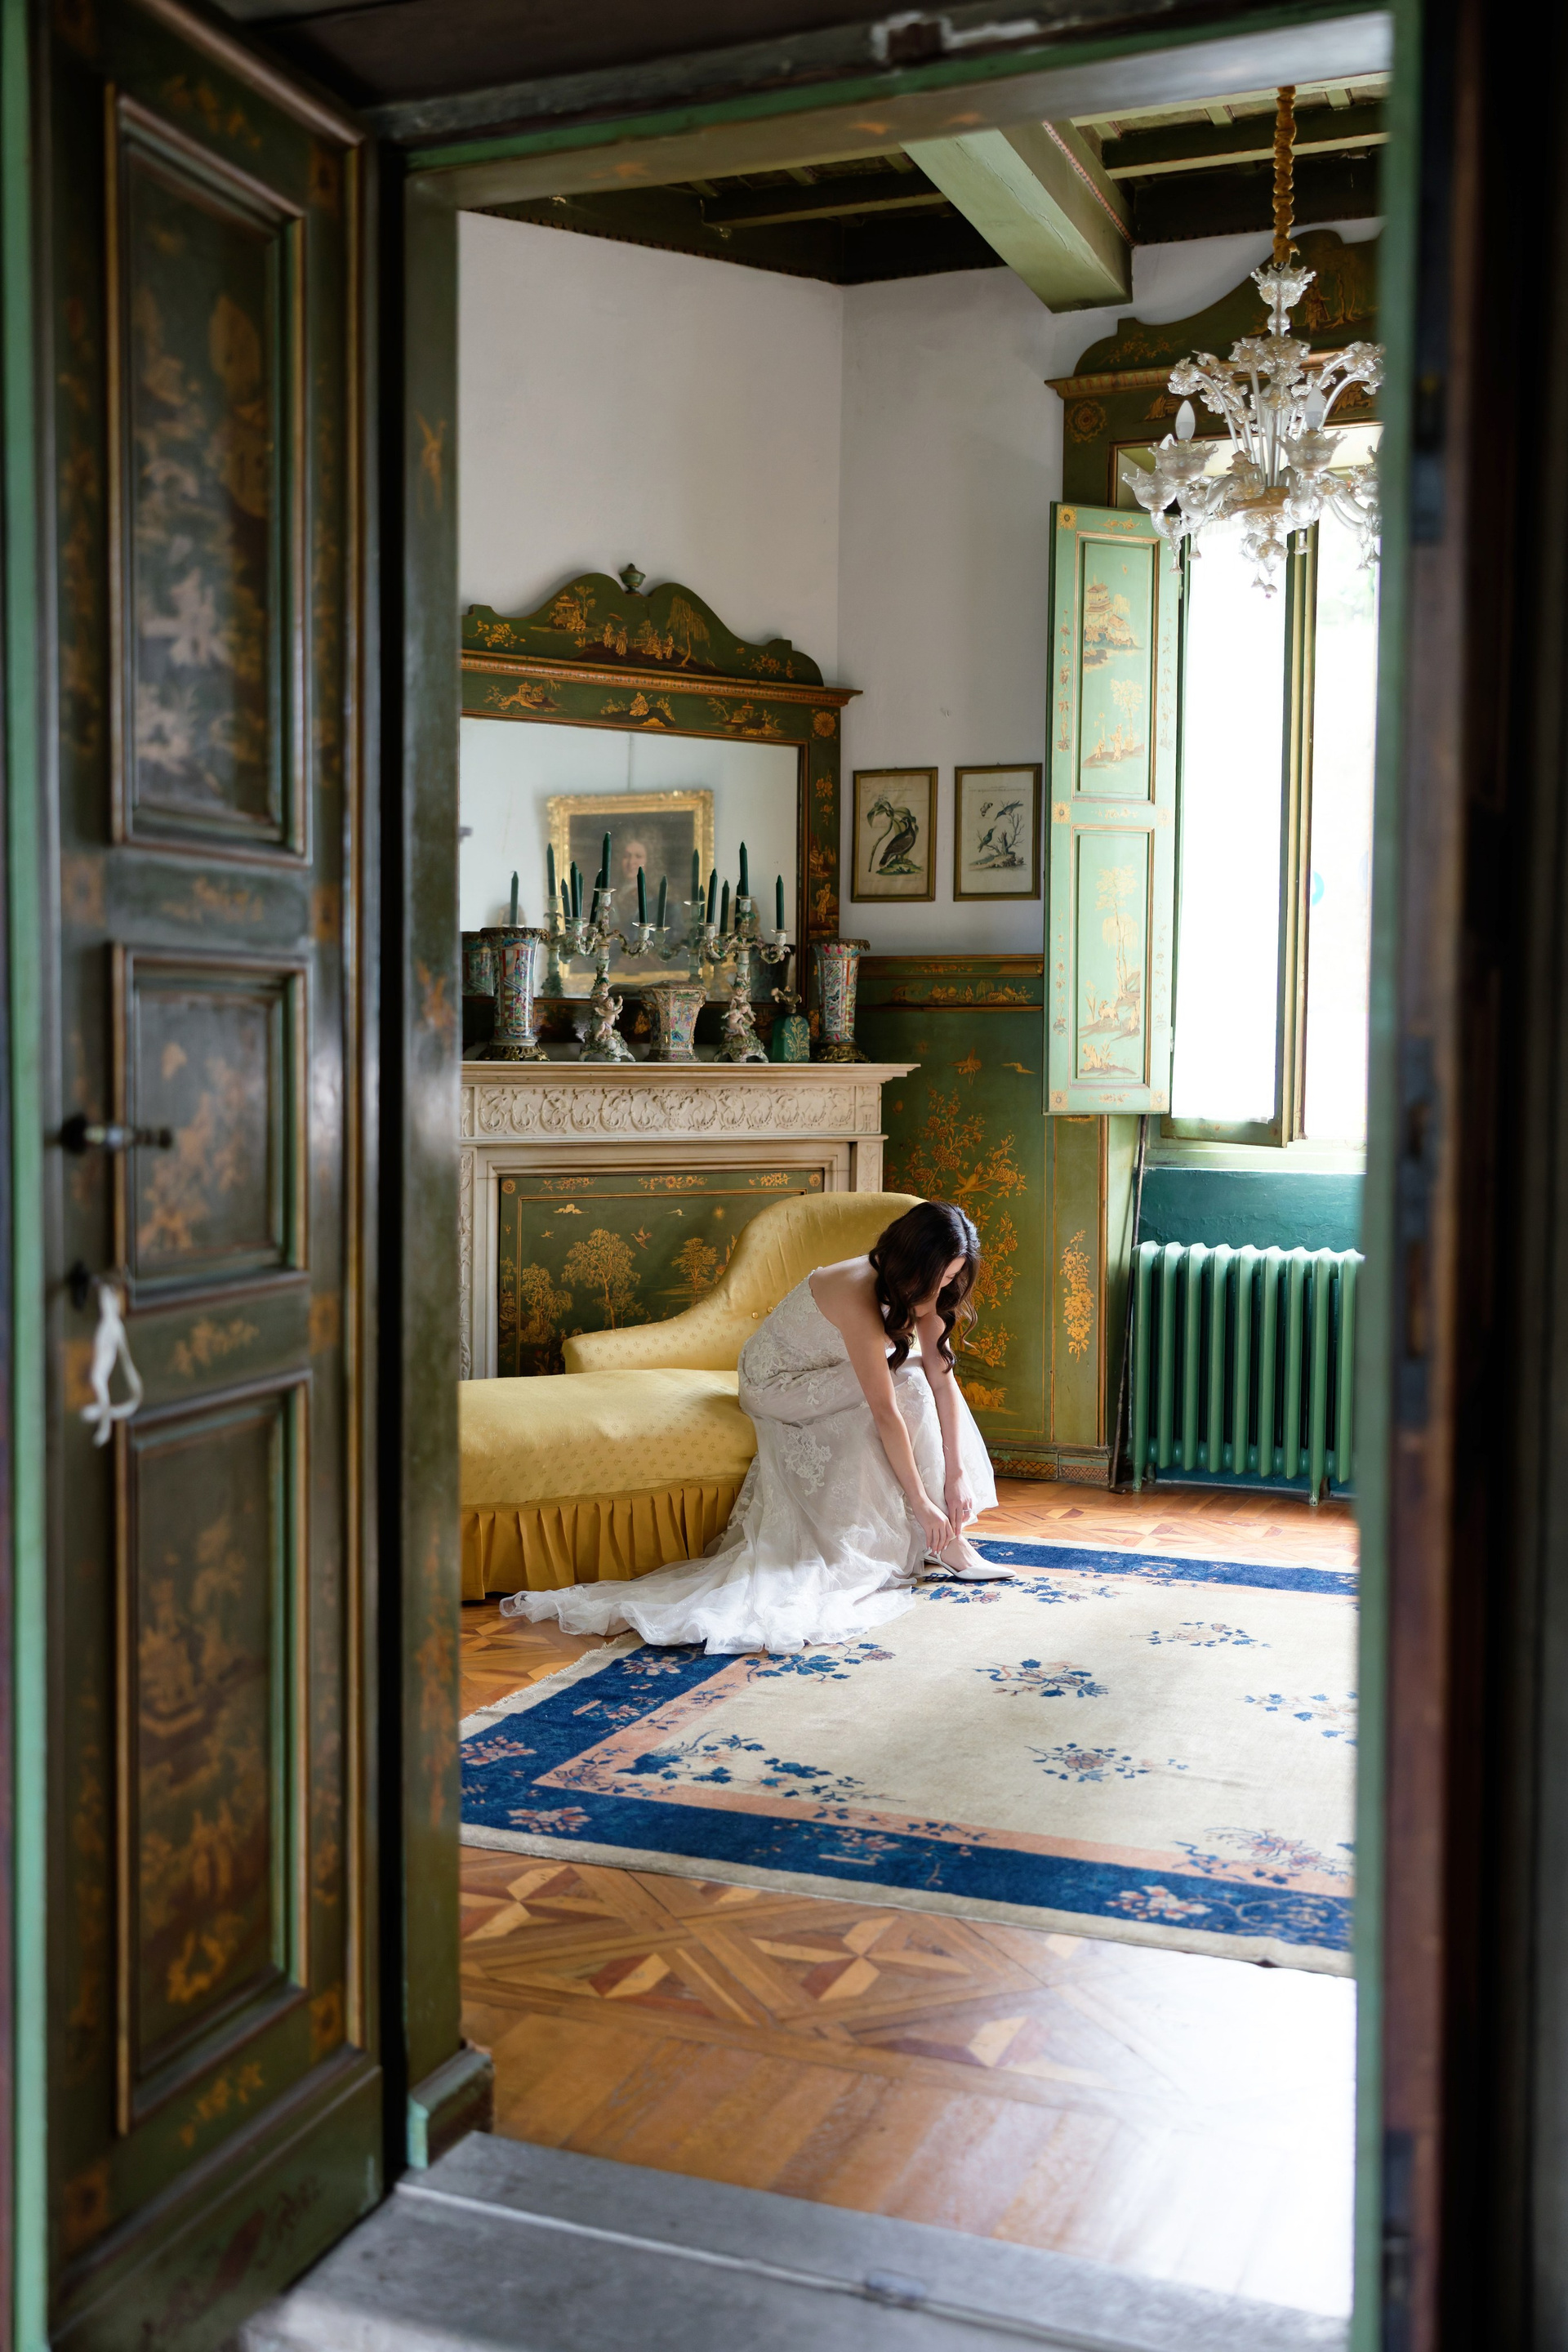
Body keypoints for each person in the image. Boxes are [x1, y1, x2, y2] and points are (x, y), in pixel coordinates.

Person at [500, 1199, 1005, 1655]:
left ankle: (949, 1538)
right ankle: (938, 1535)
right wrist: (921, 1500)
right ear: (913, 1262)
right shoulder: (857, 1289)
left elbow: (943, 1380)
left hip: (832, 1371)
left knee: (919, 1376)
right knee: (906, 1384)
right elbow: (884, 1410)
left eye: (952, 1279)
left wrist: (956, 1475)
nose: (943, 1288)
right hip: (776, 1381)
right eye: (939, 1277)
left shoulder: (926, 1288)